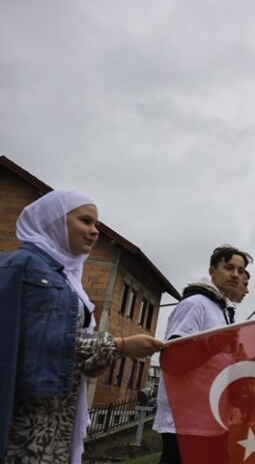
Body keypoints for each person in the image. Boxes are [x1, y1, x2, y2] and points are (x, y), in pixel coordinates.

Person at [0, 190, 164, 463]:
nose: (94, 231)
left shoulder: (67, 278)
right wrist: (118, 346)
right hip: (28, 416)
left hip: (58, 411)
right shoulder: (24, 268)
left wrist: (100, 360)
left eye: (97, 225)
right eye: (85, 221)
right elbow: (41, 344)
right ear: (54, 222)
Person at [153, 245, 253, 464]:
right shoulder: (195, 304)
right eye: (229, 268)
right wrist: (214, 344)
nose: (236, 275)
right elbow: (173, 359)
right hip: (186, 422)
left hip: (210, 419)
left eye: (240, 270)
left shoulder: (221, 311)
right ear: (212, 271)